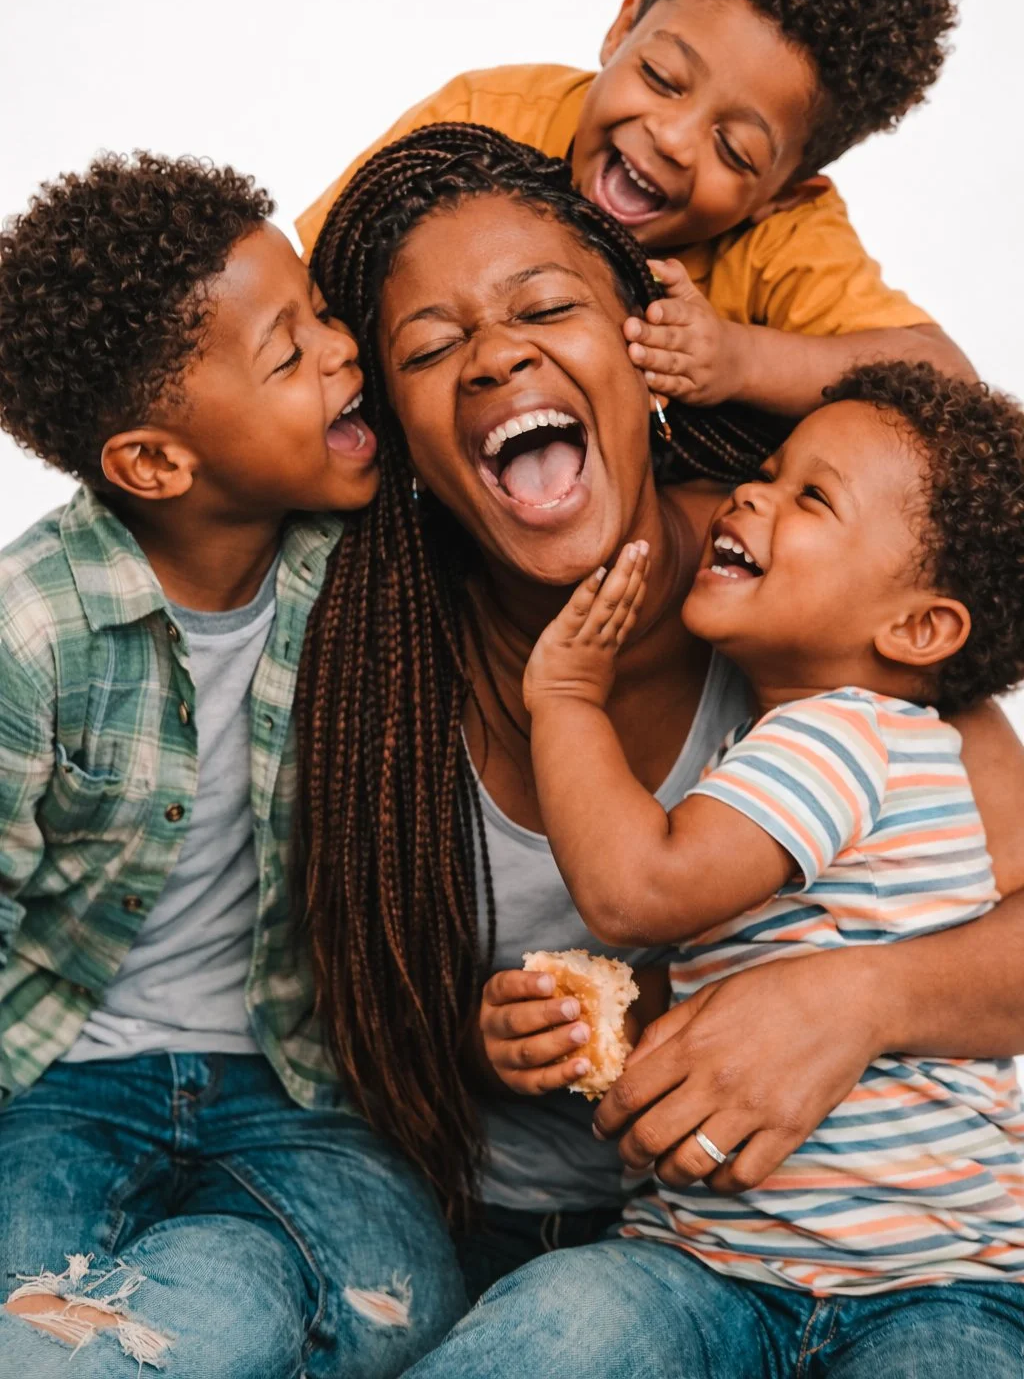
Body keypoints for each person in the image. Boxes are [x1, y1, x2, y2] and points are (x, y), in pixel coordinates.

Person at [296, 123, 1024, 1322]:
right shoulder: (363, 652)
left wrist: (852, 999)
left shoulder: (820, 622)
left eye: (545, 308)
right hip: (546, 1244)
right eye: (429, 348)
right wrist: (482, 1049)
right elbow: (342, 1004)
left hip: (895, 1265)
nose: (491, 359)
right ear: (404, 434)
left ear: (646, 353)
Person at [455, 361, 1024, 1373]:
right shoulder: (791, 757)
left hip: (930, 1285)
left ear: (918, 628)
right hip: (705, 1261)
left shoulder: (841, 736)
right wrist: (591, 1029)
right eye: (765, 470)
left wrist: (568, 700)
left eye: (812, 497)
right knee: (552, 1318)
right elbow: (720, 983)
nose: (751, 494)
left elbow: (636, 893)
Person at [0, 153, 465, 1376]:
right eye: (289, 354)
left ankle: (206, 1304)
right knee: (32, 1305)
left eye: (320, 312)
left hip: (285, 1080)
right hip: (56, 1081)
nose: (341, 351)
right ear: (155, 465)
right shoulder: (31, 630)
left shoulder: (359, 574)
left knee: (402, 1294)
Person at [297, 0, 971, 427]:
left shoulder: (783, 243)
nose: (673, 140)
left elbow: (948, 380)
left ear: (785, 194)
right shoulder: (481, 121)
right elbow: (310, 289)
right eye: (662, 78)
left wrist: (737, 360)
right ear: (623, 28)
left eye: (733, 150)